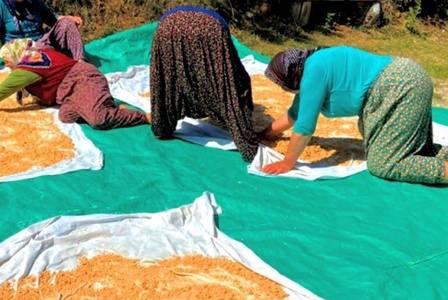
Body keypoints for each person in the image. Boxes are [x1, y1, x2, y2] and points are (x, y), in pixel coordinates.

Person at [262, 46, 448, 184]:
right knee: (419, 150)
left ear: (291, 75)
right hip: (408, 76)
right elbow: (295, 114)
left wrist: (287, 162)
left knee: (384, 164)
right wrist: (265, 134)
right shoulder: (314, 63)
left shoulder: (312, 74)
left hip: (399, 87)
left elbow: (304, 126)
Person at [0, 39, 149, 130]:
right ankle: (107, 104)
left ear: (16, 57)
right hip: (70, 92)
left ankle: (144, 117)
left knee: (98, 119)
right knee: (66, 116)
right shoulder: (33, 55)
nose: (7, 65)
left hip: (84, 80)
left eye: (7, 61)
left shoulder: (27, 68)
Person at [150, 5, 262, 162]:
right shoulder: (217, 21)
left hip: (168, 27)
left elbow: (171, 75)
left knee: (167, 79)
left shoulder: (178, 12)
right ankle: (246, 145)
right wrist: (244, 102)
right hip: (209, 29)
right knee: (225, 81)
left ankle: (162, 128)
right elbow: (231, 73)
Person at [0, 0, 85, 72]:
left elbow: (53, 19)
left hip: (40, 45)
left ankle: (80, 63)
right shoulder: (0, 4)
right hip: (16, 49)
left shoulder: (36, 2)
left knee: (67, 23)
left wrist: (68, 18)